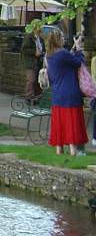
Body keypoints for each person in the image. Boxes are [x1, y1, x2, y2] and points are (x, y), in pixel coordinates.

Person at [45, 28, 88, 156]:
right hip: (70, 92)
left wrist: (75, 47)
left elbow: (68, 58)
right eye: (62, 37)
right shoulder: (62, 53)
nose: (64, 39)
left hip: (57, 94)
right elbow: (78, 63)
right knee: (71, 122)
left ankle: (59, 150)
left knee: (60, 123)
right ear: (58, 39)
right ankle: (73, 150)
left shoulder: (49, 55)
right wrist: (79, 49)